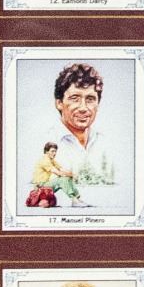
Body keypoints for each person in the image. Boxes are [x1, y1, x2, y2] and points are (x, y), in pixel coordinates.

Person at [49, 62, 112, 194]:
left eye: (90, 99)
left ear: (98, 104)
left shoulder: (106, 143)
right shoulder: (46, 141)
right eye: (75, 98)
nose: (83, 108)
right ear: (59, 103)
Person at [26, 141, 64, 209]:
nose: (54, 153)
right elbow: (57, 172)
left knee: (64, 180)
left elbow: (61, 169)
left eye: (55, 151)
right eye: (52, 151)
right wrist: (69, 175)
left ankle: (75, 199)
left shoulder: (52, 160)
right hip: (40, 186)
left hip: (44, 185)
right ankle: (75, 199)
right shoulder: (44, 160)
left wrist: (71, 174)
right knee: (62, 180)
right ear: (46, 151)